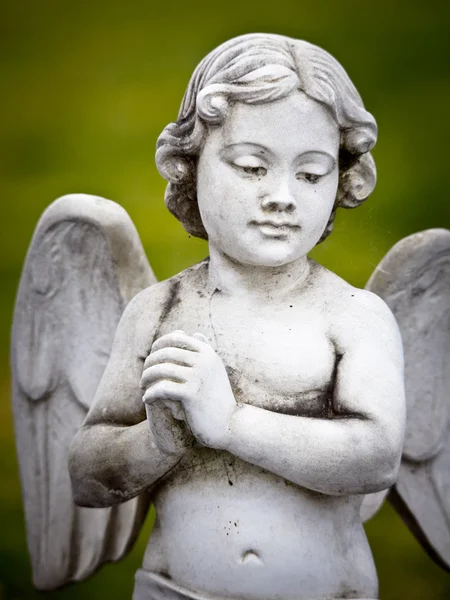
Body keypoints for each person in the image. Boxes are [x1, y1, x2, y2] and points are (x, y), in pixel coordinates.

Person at [69, 34, 405, 600]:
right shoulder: (157, 312)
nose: (282, 196)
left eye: (312, 173)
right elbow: (87, 472)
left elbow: (375, 458)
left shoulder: (353, 317)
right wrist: (158, 443)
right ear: (190, 167)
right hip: (174, 589)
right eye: (252, 166)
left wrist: (229, 424)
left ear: (342, 181)